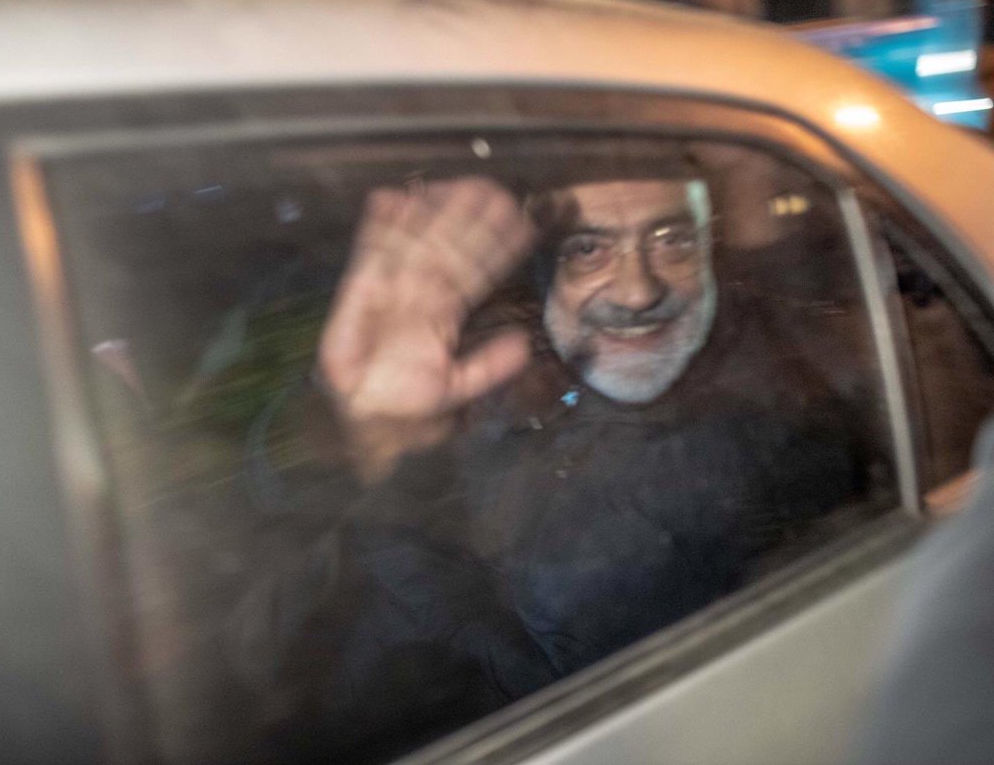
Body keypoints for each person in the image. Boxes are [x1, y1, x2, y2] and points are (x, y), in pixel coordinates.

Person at [199, 167, 879, 764]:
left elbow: (587, 690)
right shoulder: (494, 364)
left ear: (711, 249)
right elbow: (260, 498)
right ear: (542, 269)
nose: (637, 291)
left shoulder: (768, 427)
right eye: (588, 249)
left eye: (672, 240)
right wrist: (351, 431)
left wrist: (394, 488)